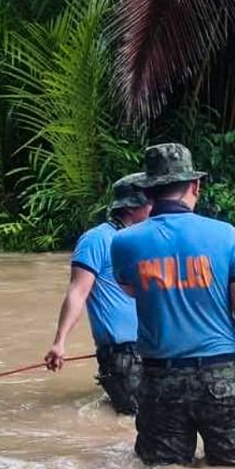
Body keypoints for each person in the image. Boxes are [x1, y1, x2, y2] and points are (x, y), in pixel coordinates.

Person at [110, 143, 235, 466]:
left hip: (159, 380)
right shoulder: (227, 236)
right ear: (195, 186)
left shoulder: (123, 242)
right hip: (221, 377)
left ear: (149, 193)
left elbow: (132, 291)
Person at [43, 172, 151, 415]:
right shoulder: (97, 239)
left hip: (151, 349)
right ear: (132, 209)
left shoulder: (145, 240)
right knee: (136, 419)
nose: (155, 208)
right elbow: (77, 292)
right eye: (150, 203)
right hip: (123, 355)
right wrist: (59, 342)